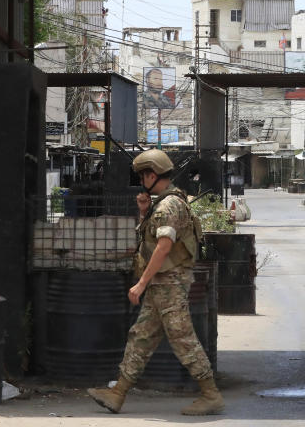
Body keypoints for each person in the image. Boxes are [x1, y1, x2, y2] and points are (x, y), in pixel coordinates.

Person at [87, 149, 223, 416]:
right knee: (142, 337)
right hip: (162, 285)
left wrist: (140, 284)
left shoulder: (169, 205)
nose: (140, 181)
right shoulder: (162, 204)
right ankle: (118, 394)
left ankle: (211, 394)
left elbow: (162, 248)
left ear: (151, 175)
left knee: (183, 338)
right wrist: (143, 212)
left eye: (141, 176)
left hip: (169, 284)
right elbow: (151, 242)